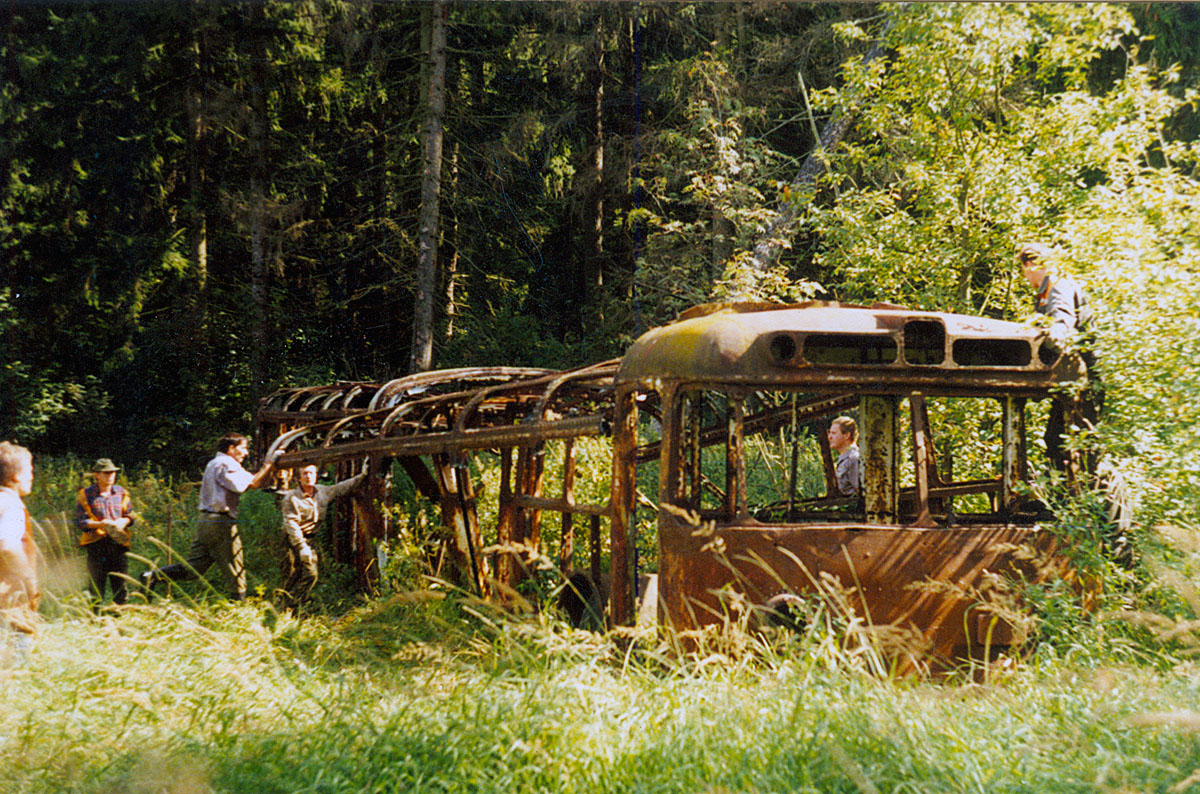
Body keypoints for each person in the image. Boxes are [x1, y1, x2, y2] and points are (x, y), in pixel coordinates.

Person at [142, 433, 278, 600]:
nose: (246, 453)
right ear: (231, 449)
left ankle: (151, 576)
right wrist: (268, 465)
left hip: (205, 522)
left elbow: (253, 482)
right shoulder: (227, 464)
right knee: (235, 567)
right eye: (243, 448)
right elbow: (248, 485)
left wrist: (267, 470)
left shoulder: (214, 463)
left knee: (193, 568)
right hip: (220, 523)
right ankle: (239, 608)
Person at [1016, 242, 1100, 472]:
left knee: (1077, 447)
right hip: (1070, 380)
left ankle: (1080, 501)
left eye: (1024, 271)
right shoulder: (1047, 291)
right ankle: (1060, 500)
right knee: (1056, 440)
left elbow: (1061, 326)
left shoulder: (1058, 285)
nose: (1026, 278)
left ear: (1032, 264)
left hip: (1083, 382)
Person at [278, 463, 365, 607]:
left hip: (310, 538)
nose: (308, 476)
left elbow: (340, 488)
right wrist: (301, 547)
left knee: (310, 573)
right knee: (292, 574)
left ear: (316, 475)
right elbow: (291, 524)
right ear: (299, 478)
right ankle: (286, 605)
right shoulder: (291, 498)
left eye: (311, 473)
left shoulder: (322, 491)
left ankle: (293, 605)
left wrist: (362, 475)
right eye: (305, 473)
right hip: (292, 538)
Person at [76, 457, 135, 607]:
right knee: (96, 585)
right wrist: (101, 524)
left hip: (118, 544)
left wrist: (123, 522)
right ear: (97, 475)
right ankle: (95, 619)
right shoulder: (86, 494)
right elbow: (81, 522)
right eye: (106, 473)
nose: (110, 476)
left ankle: (119, 616)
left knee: (120, 585)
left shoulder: (122, 493)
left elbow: (131, 515)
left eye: (112, 473)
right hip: (96, 544)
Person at [0, 441, 39, 665]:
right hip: (10, 603)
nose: (31, 476)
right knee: (14, 673)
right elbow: (7, 546)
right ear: (15, 475)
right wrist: (30, 580)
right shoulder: (11, 505)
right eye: (30, 471)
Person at [828, 416, 861, 497]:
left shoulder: (853, 458)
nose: (830, 437)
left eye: (834, 433)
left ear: (846, 435)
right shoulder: (843, 458)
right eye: (830, 433)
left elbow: (860, 493)